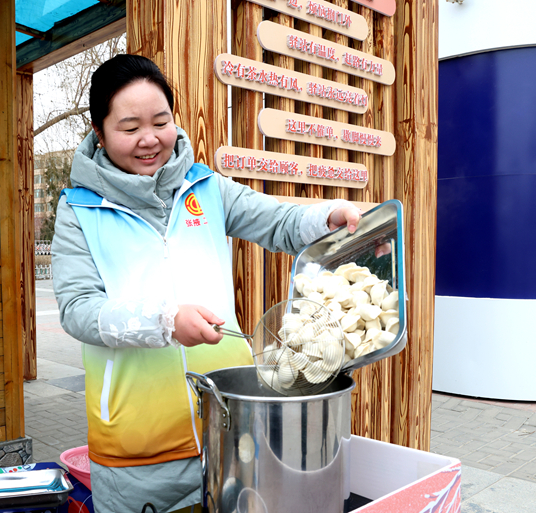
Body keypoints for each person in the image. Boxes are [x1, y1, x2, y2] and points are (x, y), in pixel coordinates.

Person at [51, 54, 363, 513]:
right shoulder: (78, 211)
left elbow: (277, 220)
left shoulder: (205, 187)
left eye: (161, 121)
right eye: (129, 126)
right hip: (137, 448)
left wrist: (328, 218)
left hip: (229, 426)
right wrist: (164, 322)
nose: (149, 139)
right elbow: (78, 309)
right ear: (99, 132)